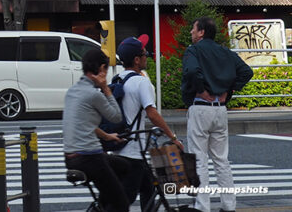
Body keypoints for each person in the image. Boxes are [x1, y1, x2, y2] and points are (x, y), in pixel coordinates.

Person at [181, 17, 253, 212]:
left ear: (201, 32)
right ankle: (229, 206)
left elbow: (191, 72)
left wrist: (202, 90)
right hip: (220, 109)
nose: (191, 33)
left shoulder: (193, 51)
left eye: (193, 29)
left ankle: (203, 206)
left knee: (199, 159)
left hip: (200, 107)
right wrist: (227, 91)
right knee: (221, 160)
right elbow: (247, 72)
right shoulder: (224, 52)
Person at [104, 36, 183, 211]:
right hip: (132, 154)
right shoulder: (141, 82)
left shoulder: (117, 79)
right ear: (137, 60)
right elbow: (152, 114)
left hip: (117, 147)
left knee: (149, 189)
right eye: (144, 54)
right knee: (123, 202)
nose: (147, 56)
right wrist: (173, 137)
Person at [63, 48, 131, 212]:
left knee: (122, 167)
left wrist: (107, 136)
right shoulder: (94, 94)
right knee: (121, 204)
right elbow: (116, 117)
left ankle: (100, 207)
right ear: (101, 69)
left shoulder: (72, 92)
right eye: (106, 69)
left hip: (70, 158)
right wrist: (106, 89)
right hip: (89, 158)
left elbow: (86, 124)